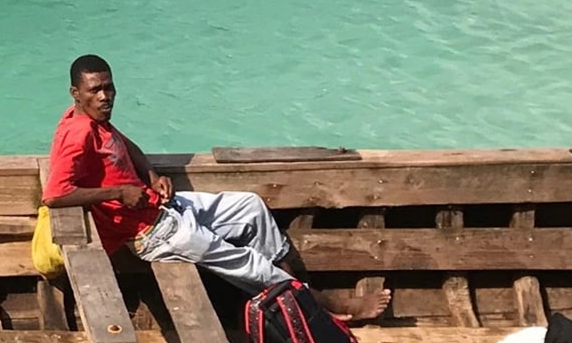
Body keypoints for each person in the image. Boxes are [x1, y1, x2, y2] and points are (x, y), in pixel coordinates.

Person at [42, 53, 390, 321]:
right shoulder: (78, 133)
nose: (105, 96)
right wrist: (117, 193)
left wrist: (150, 175)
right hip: (151, 235)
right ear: (76, 93)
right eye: (95, 90)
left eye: (109, 87)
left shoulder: (94, 120)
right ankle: (327, 303)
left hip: (163, 209)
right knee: (247, 262)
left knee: (250, 208)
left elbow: (125, 144)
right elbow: (55, 194)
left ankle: (294, 285)